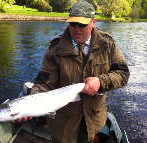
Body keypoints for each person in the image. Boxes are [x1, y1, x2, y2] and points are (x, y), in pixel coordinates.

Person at [15, 1, 130, 143]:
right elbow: (44, 83)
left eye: (82, 24)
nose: (76, 29)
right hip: (62, 124)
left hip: (93, 121)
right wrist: (29, 105)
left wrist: (101, 81)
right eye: (72, 24)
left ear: (93, 22)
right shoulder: (55, 49)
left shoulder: (108, 44)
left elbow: (123, 73)